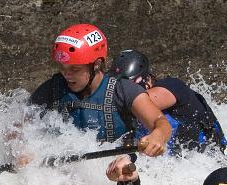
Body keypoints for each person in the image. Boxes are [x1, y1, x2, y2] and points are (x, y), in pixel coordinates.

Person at [29, 24, 171, 156]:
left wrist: (158, 135)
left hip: (118, 165)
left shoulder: (123, 90)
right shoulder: (53, 87)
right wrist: (24, 149)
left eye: (75, 69)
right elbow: (20, 123)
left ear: (96, 64)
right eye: (63, 67)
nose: (66, 74)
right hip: (68, 172)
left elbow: (160, 122)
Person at [110, 49, 227, 154]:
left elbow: (137, 101)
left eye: (129, 88)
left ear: (148, 80)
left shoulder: (172, 86)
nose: (125, 92)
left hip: (209, 161)